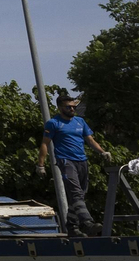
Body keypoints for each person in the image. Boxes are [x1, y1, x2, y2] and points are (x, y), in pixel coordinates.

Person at [39, 94, 111, 236]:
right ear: (60, 108)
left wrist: (102, 152)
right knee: (76, 193)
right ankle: (87, 222)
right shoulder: (53, 123)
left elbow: (90, 140)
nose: (72, 109)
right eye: (68, 107)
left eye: (74, 107)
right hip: (66, 161)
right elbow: (44, 144)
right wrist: (40, 164)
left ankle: (72, 227)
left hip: (82, 161)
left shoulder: (80, 121)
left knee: (79, 196)